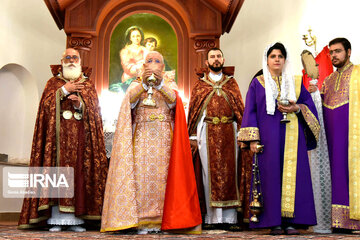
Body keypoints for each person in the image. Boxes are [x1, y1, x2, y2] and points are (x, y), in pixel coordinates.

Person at [101, 51, 202, 234]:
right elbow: (128, 104)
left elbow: (174, 103)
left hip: (164, 139)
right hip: (141, 138)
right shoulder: (136, 83)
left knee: (164, 178)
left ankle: (164, 219)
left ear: (163, 67)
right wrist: (144, 84)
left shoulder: (169, 84)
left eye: (157, 61)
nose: (153, 63)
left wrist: (160, 84)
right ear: (144, 66)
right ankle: (141, 220)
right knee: (141, 177)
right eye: (150, 61)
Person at [18, 48, 108, 232]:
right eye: (67, 57)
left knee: (79, 176)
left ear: (80, 61)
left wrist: (79, 104)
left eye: (75, 57)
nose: (71, 60)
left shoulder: (88, 84)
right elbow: (44, 107)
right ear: (62, 61)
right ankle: (56, 220)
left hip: (82, 142)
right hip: (57, 140)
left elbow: (95, 112)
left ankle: (77, 221)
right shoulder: (53, 83)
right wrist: (63, 91)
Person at [239, 42, 319, 235]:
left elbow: (310, 109)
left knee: (295, 177)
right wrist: (252, 140)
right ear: (266, 60)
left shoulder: (297, 83)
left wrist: (296, 108)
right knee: (270, 177)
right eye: (272, 56)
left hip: (293, 137)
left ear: (285, 60)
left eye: (280, 56)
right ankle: (273, 221)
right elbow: (250, 111)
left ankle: (292, 221)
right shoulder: (257, 83)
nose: (276, 59)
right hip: (268, 139)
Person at [187, 48, 251, 230]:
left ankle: (230, 220)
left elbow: (240, 110)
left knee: (231, 173)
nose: (216, 60)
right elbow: (193, 113)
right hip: (207, 133)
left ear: (223, 59)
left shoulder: (231, 83)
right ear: (207, 62)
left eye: (218, 56)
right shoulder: (200, 85)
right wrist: (192, 135)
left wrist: (242, 133)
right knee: (208, 174)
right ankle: (212, 219)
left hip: (230, 133)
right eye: (212, 57)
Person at [309, 37, 360, 233]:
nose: (333, 56)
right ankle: (337, 221)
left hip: (352, 138)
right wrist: (313, 94)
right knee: (334, 175)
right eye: (331, 52)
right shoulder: (328, 81)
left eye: (337, 51)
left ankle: (354, 221)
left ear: (348, 51)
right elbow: (319, 110)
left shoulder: (358, 74)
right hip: (330, 140)